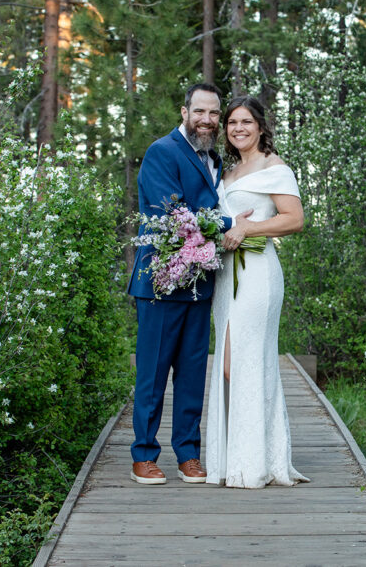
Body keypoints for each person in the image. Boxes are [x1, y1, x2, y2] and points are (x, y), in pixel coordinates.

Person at [128, 83, 252, 485]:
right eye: (200, 112)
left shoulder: (214, 158)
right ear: (184, 112)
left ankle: (188, 454)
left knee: (193, 372)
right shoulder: (162, 152)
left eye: (214, 114)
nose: (207, 120)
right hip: (161, 284)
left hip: (201, 282)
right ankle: (144, 455)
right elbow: (176, 214)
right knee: (153, 371)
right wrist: (235, 224)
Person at [205, 95, 309, 488]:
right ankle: (238, 458)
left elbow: (294, 219)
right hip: (226, 275)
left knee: (242, 362)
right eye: (232, 123)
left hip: (257, 273)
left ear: (261, 126)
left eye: (246, 121)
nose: (238, 128)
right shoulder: (227, 172)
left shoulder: (274, 168)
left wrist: (249, 228)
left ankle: (256, 460)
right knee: (232, 363)